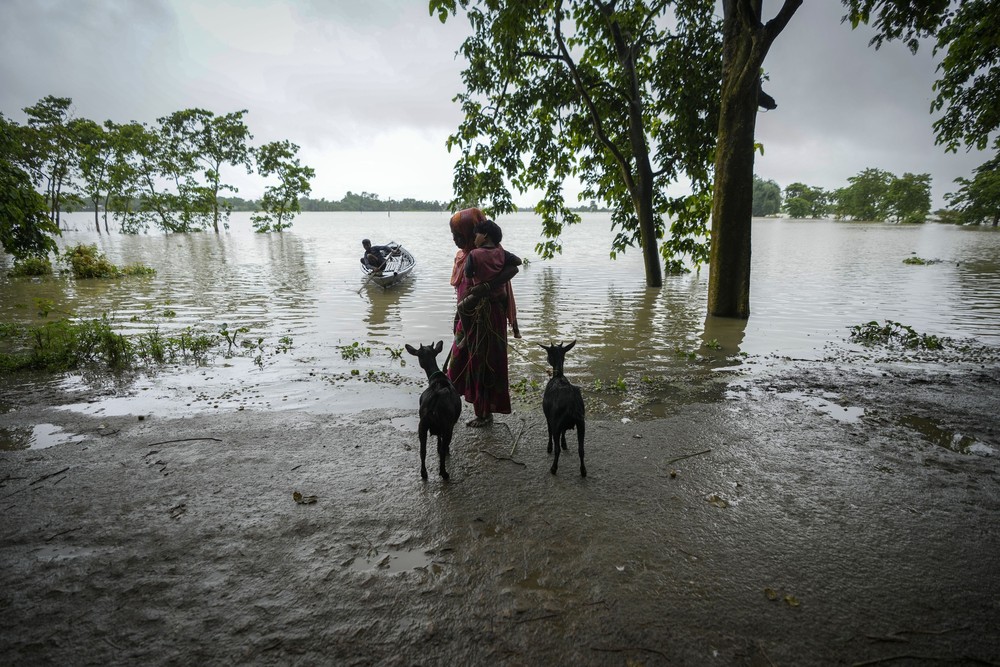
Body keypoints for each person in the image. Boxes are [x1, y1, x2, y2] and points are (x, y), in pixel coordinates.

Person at [446, 208, 521, 428]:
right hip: (466, 317)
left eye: (460, 235)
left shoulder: (487, 254)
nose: (455, 240)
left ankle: (484, 413)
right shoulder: (464, 257)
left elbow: (506, 282)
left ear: (473, 233)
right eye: (453, 235)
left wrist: (488, 287)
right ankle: (453, 405)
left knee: (484, 364)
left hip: (487, 319)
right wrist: (457, 317)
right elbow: (462, 291)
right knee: (459, 362)